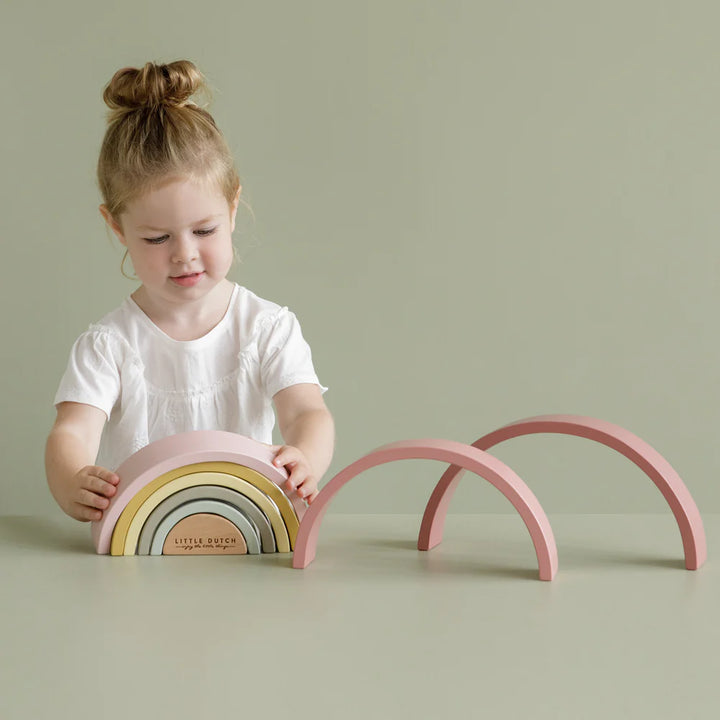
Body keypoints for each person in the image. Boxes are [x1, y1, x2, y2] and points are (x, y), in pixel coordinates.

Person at [45, 60, 334, 522]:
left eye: (204, 230)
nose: (184, 255)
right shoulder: (109, 345)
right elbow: (71, 433)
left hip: (247, 537)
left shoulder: (267, 328)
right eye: (157, 239)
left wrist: (305, 458)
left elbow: (307, 414)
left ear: (233, 207)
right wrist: (72, 480)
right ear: (116, 226)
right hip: (143, 544)